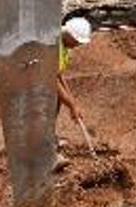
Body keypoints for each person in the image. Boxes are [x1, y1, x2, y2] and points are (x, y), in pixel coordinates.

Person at [55, 17, 92, 170]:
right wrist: (70, 105)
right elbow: (50, 80)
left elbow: (59, 75)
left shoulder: (64, 47)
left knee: (57, 101)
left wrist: (72, 102)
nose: (77, 45)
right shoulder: (51, 45)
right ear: (69, 34)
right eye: (77, 41)